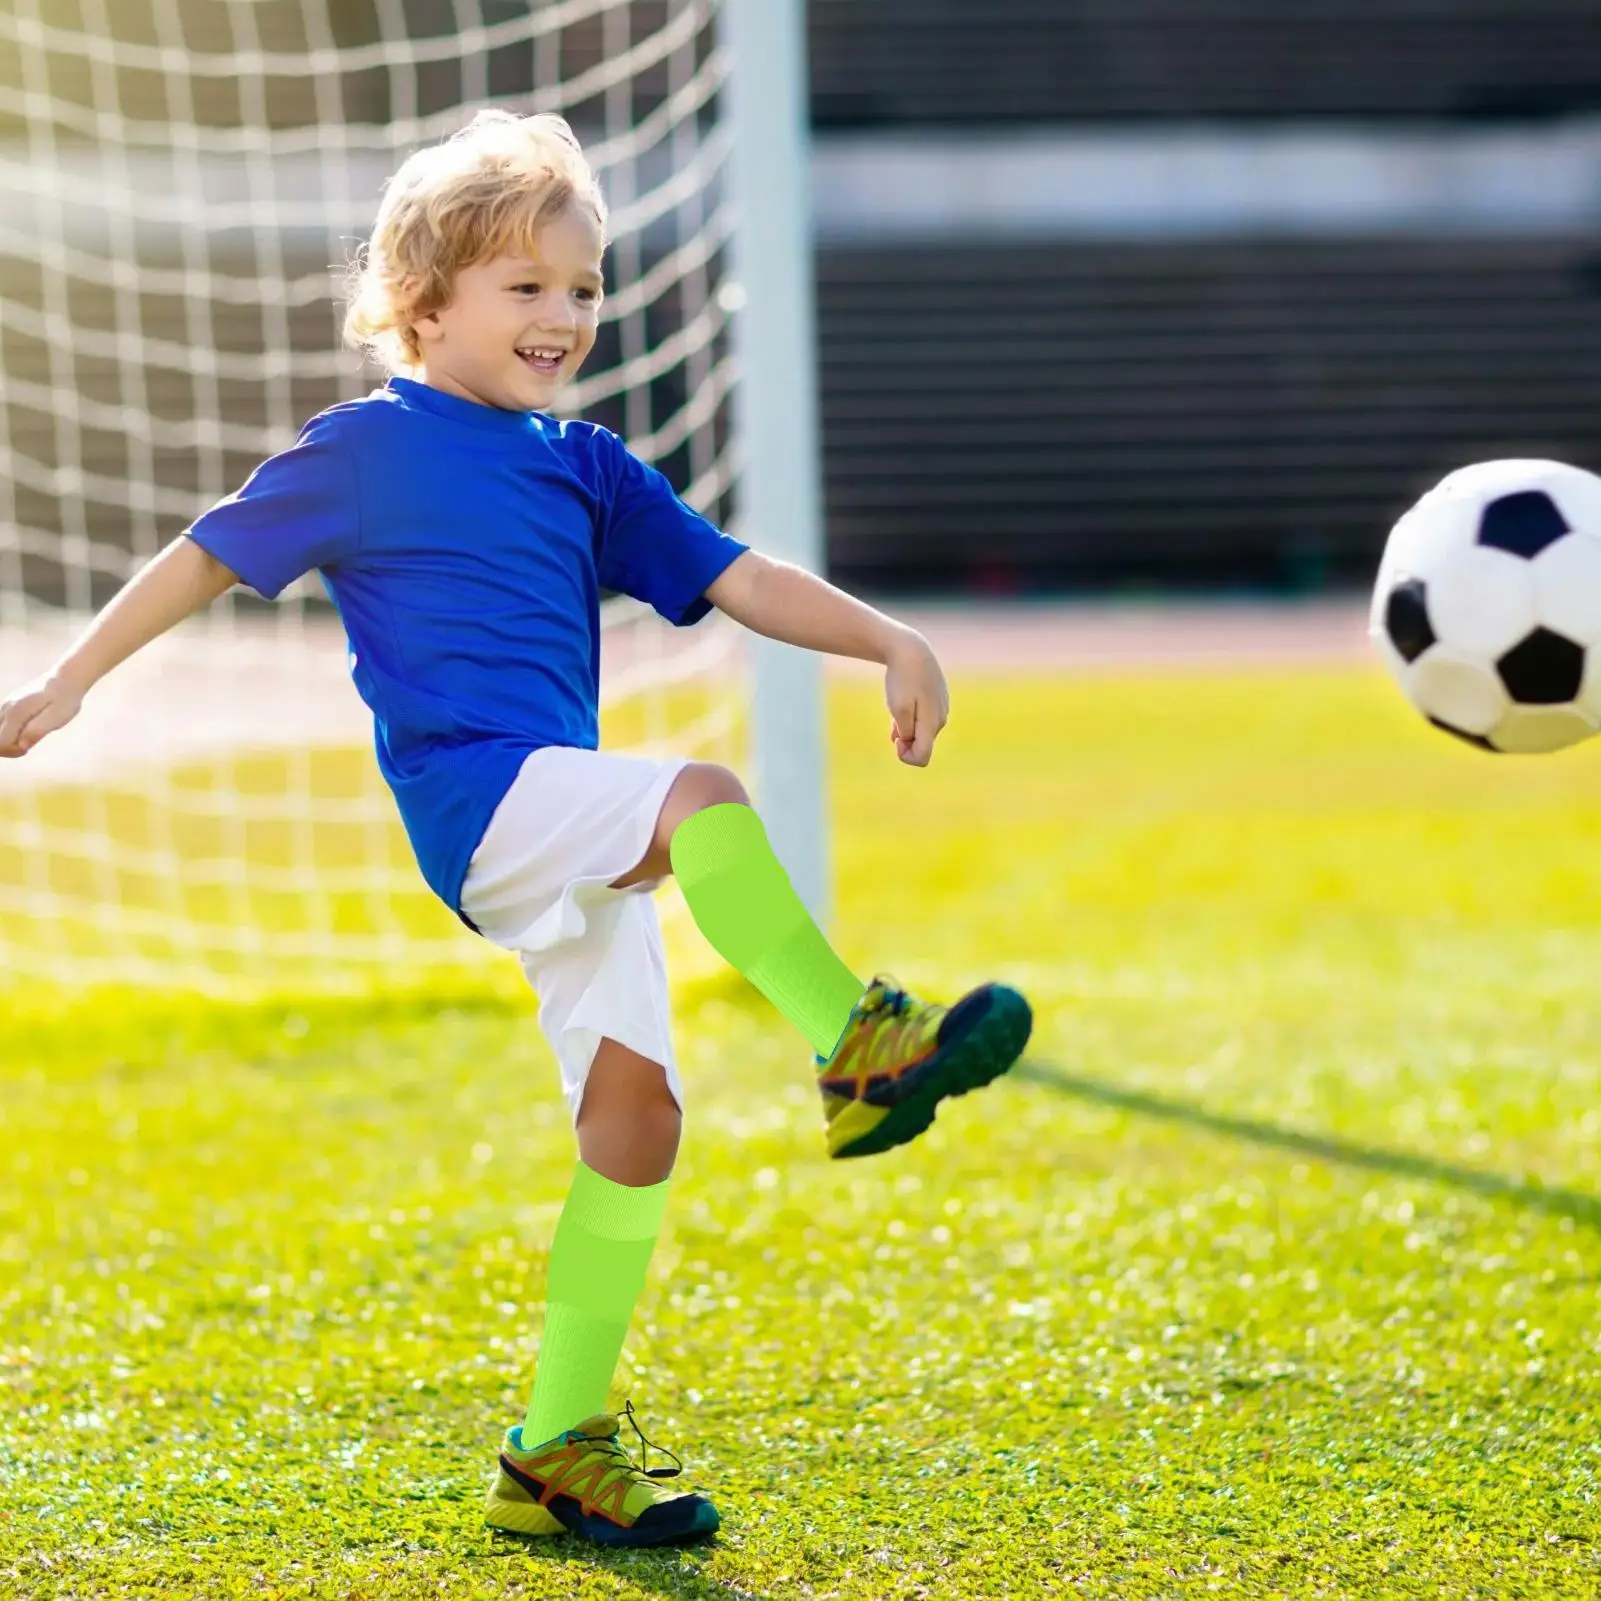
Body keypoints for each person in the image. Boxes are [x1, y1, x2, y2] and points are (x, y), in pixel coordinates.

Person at [0, 109, 1032, 1549]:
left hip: (560, 815)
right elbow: (203, 558)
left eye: (586, 289)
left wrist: (885, 640)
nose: (565, 317)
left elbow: (735, 579)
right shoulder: (367, 449)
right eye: (526, 288)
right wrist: (66, 682)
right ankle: (856, 1044)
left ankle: (553, 1452)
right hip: (485, 803)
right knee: (702, 802)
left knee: (636, 1125)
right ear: (425, 304)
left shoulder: (586, 465)